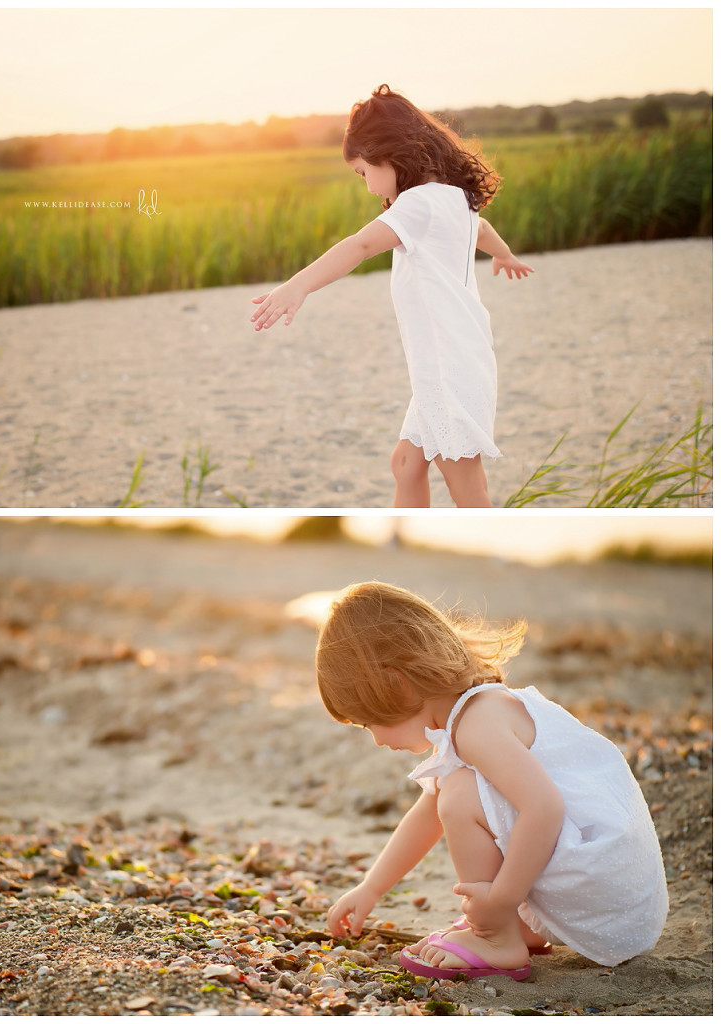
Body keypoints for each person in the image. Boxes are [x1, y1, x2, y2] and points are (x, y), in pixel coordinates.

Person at [316, 582, 669, 979]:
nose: (377, 739)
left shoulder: (477, 726)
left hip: (605, 890)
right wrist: (370, 888)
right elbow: (426, 814)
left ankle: (495, 936)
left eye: (369, 722)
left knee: (460, 794)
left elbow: (544, 808)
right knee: (451, 794)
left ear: (397, 684)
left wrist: (499, 902)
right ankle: (516, 928)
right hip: (616, 890)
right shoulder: (470, 716)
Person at [249, 84, 534, 508]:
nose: (367, 187)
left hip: (446, 365)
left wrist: (298, 285)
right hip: (457, 357)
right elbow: (483, 231)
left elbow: (359, 245)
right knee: (406, 463)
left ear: (389, 154)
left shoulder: (417, 204)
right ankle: (404, 544)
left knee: (467, 484)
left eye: (364, 172)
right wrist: (505, 254)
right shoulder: (453, 197)